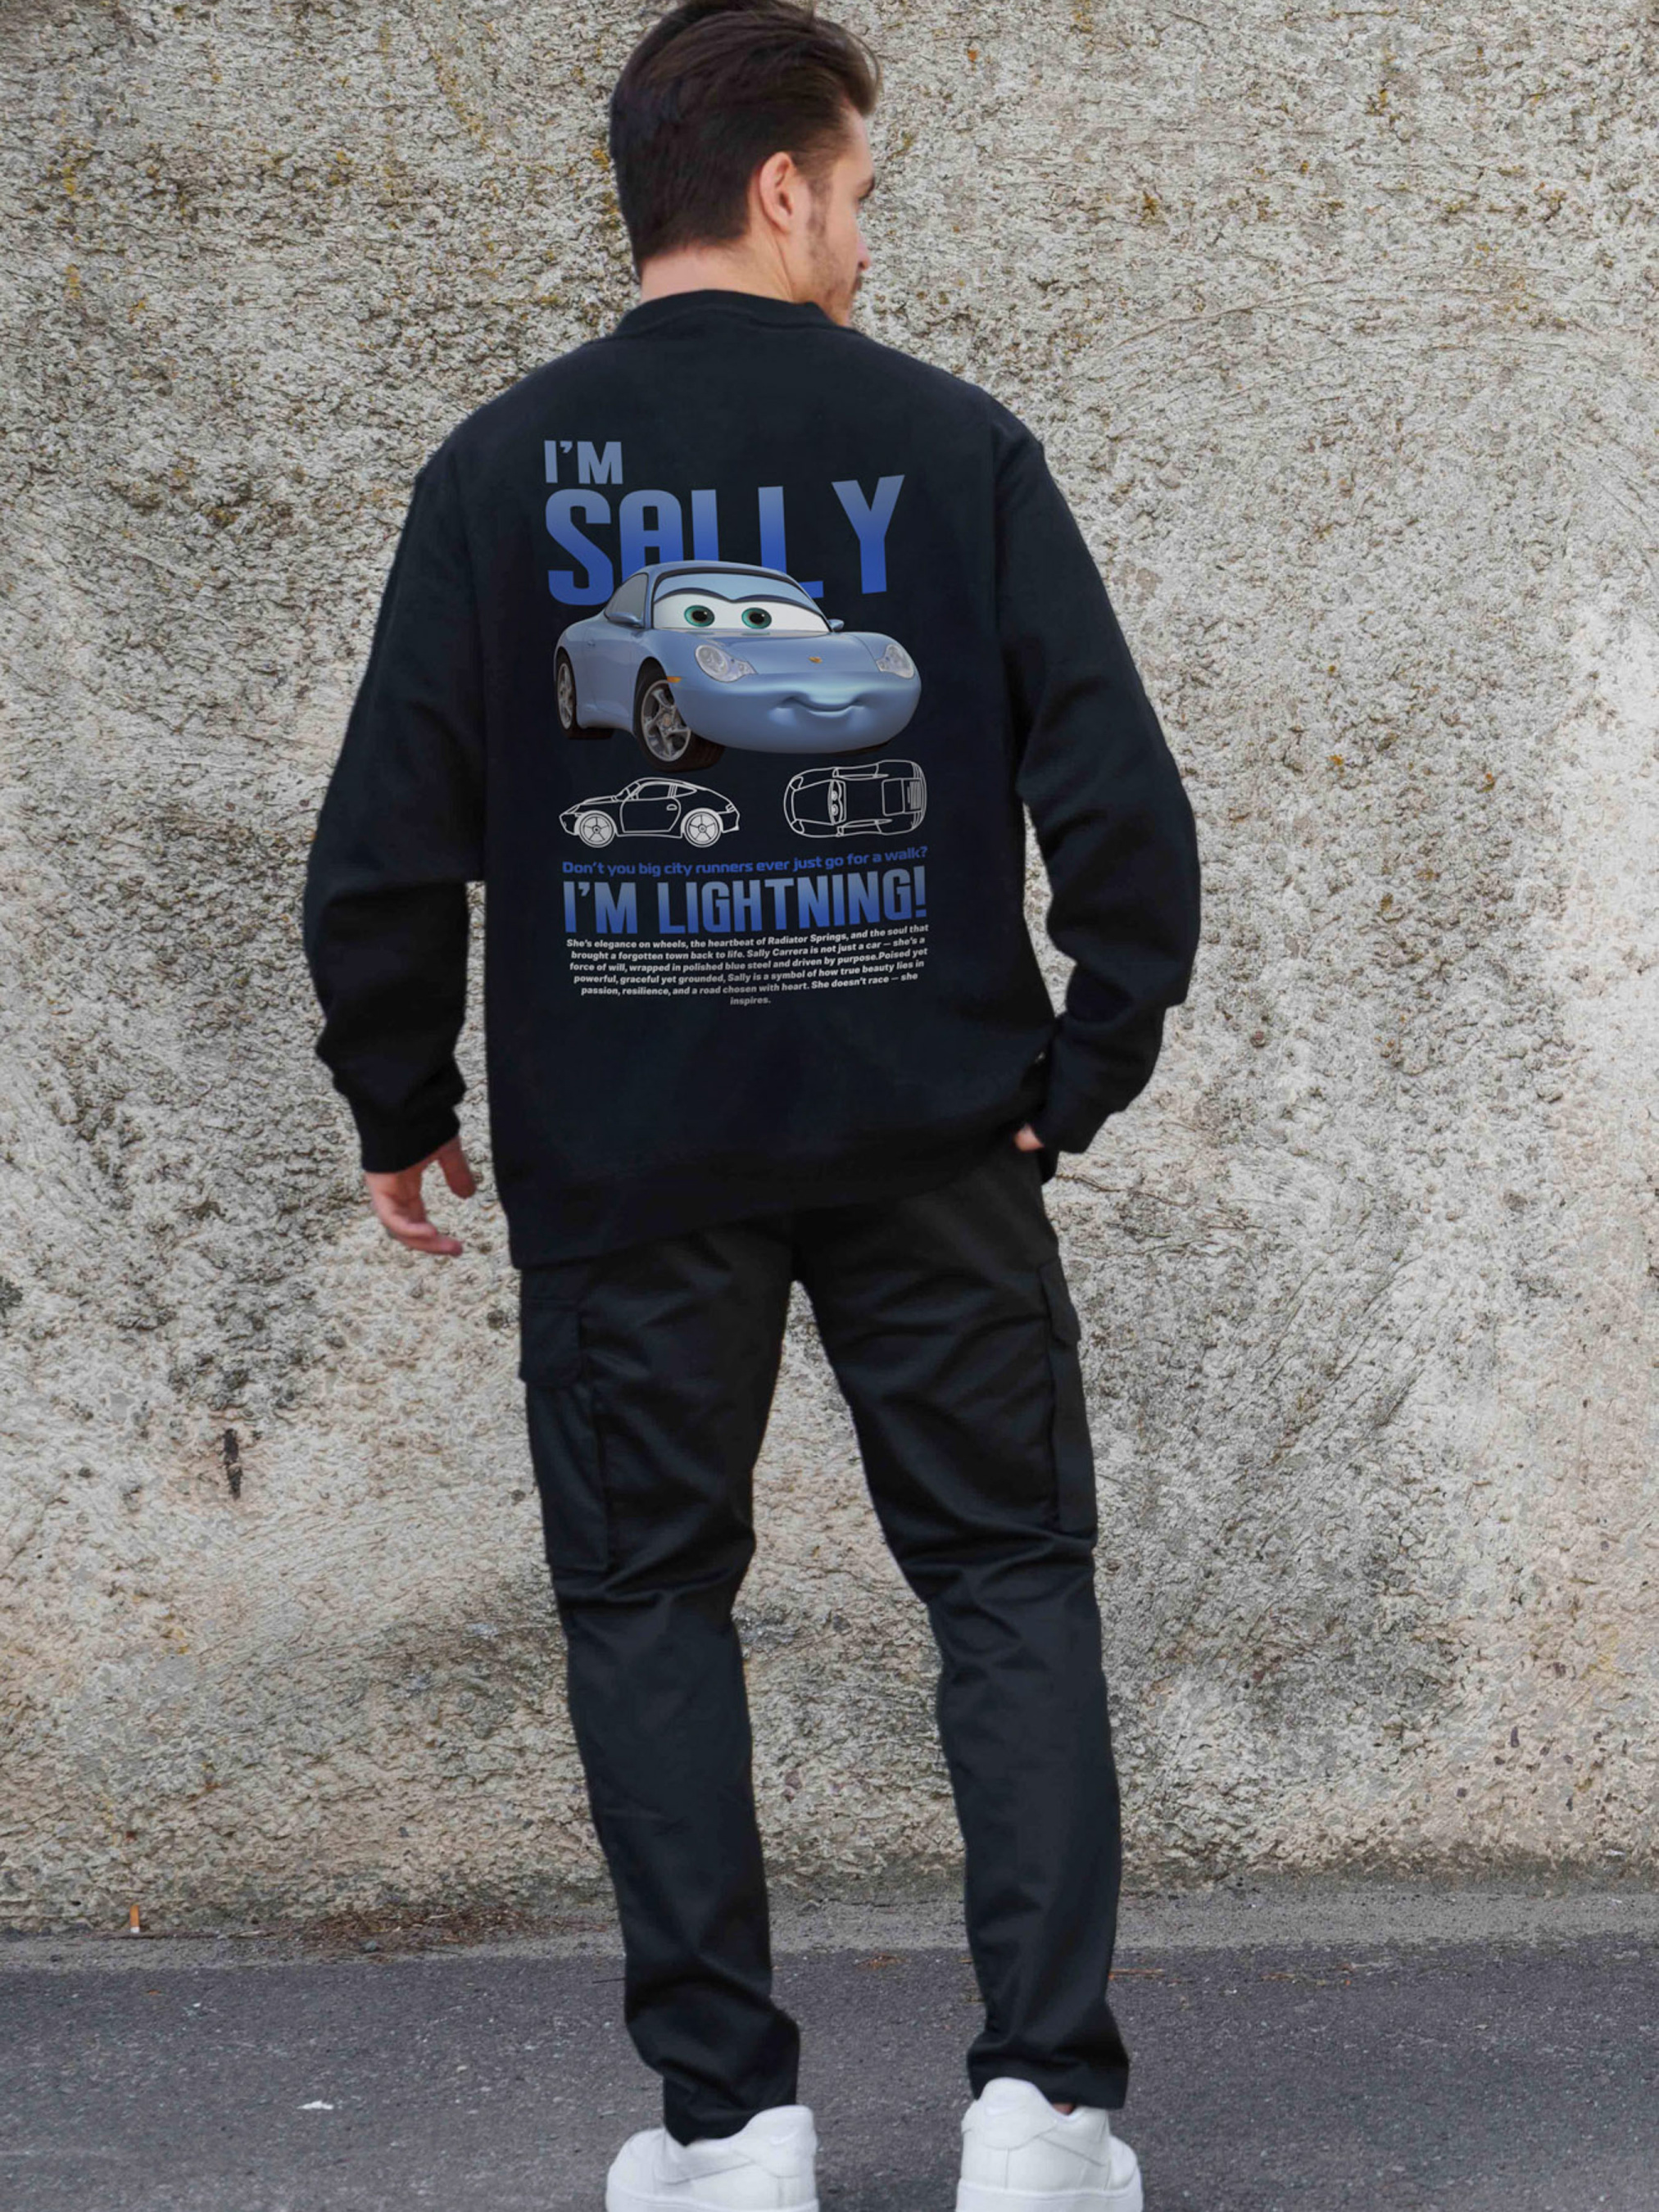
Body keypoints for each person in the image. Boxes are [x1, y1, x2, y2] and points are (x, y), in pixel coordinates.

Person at [302, 2, 1201, 2204]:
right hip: (936, 1132)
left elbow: (387, 839)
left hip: (629, 1150)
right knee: (1006, 1576)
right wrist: (1080, 1065)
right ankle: (1043, 2114)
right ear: (783, 189)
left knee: (646, 1604)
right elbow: (1121, 798)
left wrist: (398, 1096)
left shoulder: (499, 471)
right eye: (860, 196)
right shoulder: (952, 445)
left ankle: (730, 2135)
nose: (866, 242)